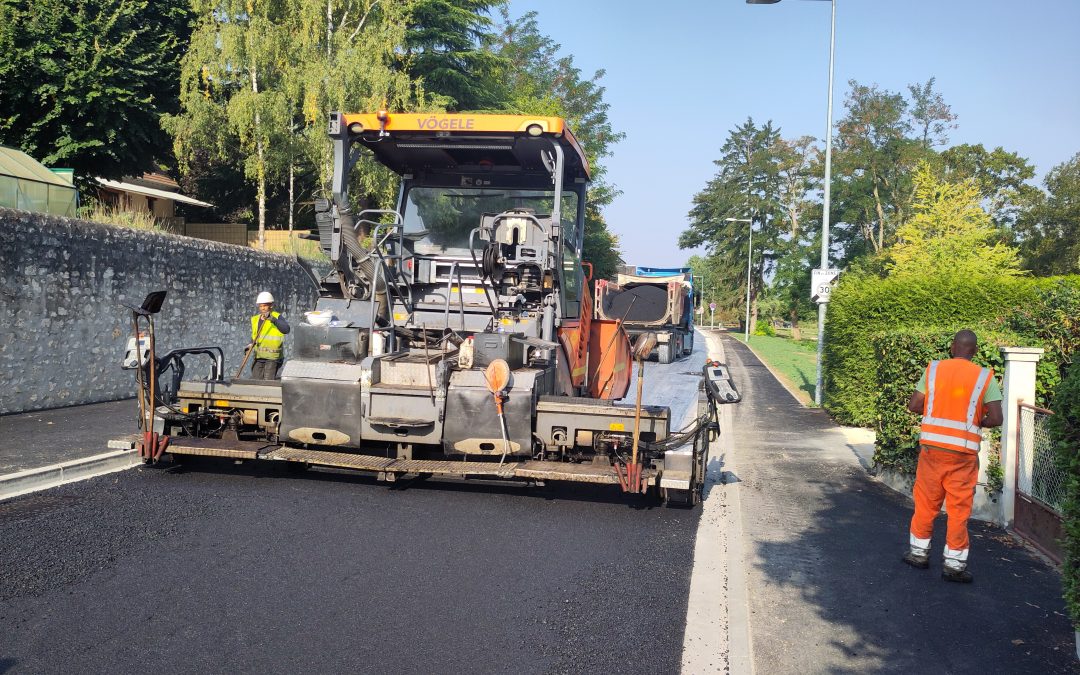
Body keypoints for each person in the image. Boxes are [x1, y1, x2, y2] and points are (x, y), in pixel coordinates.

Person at [902, 329, 1003, 583]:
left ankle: (918, 554)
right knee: (958, 510)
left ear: (952, 347)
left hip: (932, 451)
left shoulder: (933, 370)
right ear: (975, 351)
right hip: (963, 456)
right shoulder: (985, 377)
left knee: (926, 504)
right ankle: (955, 566)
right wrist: (978, 420)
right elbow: (997, 418)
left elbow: (914, 405)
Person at [248, 291, 290, 380]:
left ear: (271, 305)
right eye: (260, 306)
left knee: (268, 381)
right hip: (259, 356)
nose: (262, 308)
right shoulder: (255, 319)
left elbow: (286, 330)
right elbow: (255, 336)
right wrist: (250, 345)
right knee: (256, 380)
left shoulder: (277, 317)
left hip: (272, 358)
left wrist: (273, 320)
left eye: (265, 305)